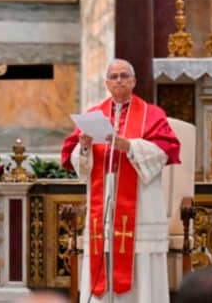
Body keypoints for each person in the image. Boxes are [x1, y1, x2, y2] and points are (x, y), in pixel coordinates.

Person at [61, 59, 181, 303]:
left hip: (141, 203)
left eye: (124, 75)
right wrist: (84, 147)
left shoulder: (152, 114)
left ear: (134, 81)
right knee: (103, 249)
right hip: (104, 198)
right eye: (113, 76)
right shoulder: (93, 115)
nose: (118, 80)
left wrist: (130, 145)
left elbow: (164, 150)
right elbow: (78, 162)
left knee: (139, 256)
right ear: (106, 83)